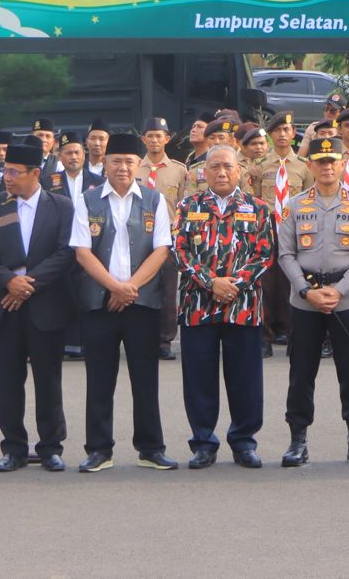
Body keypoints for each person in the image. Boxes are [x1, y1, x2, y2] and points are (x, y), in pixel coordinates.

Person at [0, 136, 77, 472]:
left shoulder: (61, 206)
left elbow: (66, 252)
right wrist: (9, 281)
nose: (7, 177)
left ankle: (50, 447)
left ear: (35, 173)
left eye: (14, 172)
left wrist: (28, 284)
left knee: (48, 380)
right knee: (7, 381)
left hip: (45, 304)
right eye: (5, 171)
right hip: (5, 305)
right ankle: (14, 448)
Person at [72, 131, 176, 472]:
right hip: (99, 303)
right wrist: (113, 288)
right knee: (99, 379)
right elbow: (82, 252)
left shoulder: (154, 200)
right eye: (116, 161)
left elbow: (161, 250)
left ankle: (151, 448)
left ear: (138, 165)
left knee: (145, 378)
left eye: (129, 162)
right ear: (105, 164)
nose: (122, 168)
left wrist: (129, 287)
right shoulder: (88, 200)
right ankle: (99, 450)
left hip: (141, 303)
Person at [277, 136, 349, 467]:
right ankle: (297, 440)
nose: (327, 167)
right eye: (320, 162)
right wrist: (306, 291)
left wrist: (340, 290)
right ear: (310, 165)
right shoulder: (294, 206)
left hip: (346, 300)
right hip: (305, 300)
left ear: (342, 163)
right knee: (301, 372)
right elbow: (285, 254)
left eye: (332, 161)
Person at [171, 144, 274, 469]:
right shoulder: (188, 206)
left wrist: (234, 284)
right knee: (198, 380)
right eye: (214, 166)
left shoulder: (258, 208)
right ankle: (203, 443)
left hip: (243, 306)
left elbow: (265, 254)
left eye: (228, 166)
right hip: (198, 306)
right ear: (204, 172)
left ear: (239, 170)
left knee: (246, 380)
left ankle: (244, 442)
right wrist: (210, 282)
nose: (221, 172)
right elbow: (179, 251)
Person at [249, 112, 312, 357]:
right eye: (277, 130)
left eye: (286, 130)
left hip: (294, 228)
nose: (282, 134)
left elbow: (309, 199)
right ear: (271, 135)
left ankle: (288, 329)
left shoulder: (304, 166)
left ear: (294, 132)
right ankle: (264, 335)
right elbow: (254, 198)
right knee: (264, 282)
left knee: (292, 280)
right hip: (266, 228)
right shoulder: (261, 165)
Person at [136, 117, 189, 363]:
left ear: (167, 139)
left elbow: (183, 206)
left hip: (167, 236)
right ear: (143, 139)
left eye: (159, 136)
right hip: (139, 235)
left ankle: (164, 340)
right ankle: (140, 337)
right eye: (150, 135)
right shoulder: (135, 167)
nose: (154, 140)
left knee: (168, 290)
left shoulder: (179, 170)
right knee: (140, 286)